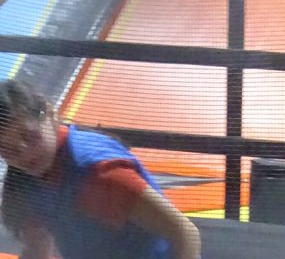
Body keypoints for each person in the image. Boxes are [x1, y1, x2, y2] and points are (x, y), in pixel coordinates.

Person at [0, 80, 201, 259]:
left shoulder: (99, 174)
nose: (25, 155)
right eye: (8, 149)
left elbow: (184, 233)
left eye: (31, 137)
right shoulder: (27, 179)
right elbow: (37, 249)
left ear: (51, 115)